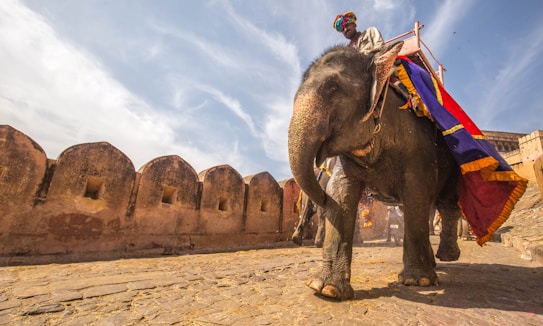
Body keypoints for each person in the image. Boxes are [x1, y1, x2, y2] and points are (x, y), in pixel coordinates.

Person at [333, 11, 411, 102]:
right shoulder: (346, 51)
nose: (345, 30)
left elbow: (380, 48)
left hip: (377, 64)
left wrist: (365, 60)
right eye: (342, 29)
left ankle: (409, 97)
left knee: (384, 72)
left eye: (347, 25)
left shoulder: (370, 32)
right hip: (360, 76)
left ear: (354, 25)